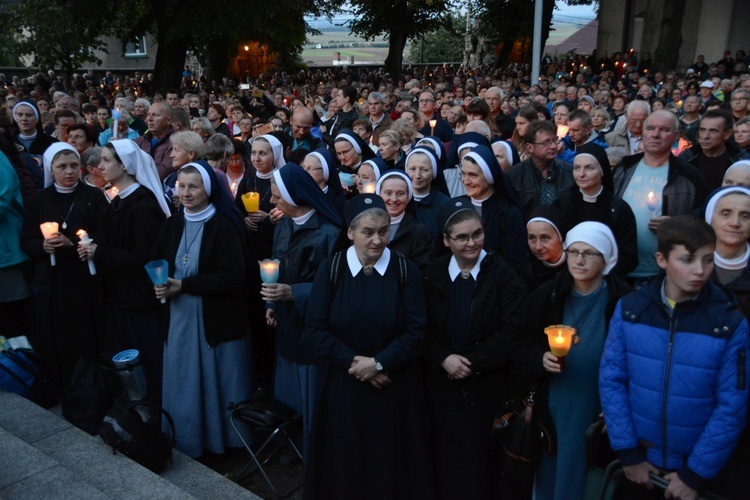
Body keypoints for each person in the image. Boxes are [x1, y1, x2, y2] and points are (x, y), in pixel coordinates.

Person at [600, 215, 749, 499]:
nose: (700, 271)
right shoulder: (631, 310)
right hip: (640, 461)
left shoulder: (729, 323)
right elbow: (612, 380)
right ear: (662, 259)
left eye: (707, 260)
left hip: (697, 469)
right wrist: (629, 454)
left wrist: (696, 473)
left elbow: (732, 405)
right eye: (688, 260)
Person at [302, 194, 433, 500]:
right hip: (342, 387)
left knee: (390, 463)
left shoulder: (405, 271)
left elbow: (416, 330)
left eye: (384, 231)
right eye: (368, 232)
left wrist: (379, 363)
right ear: (350, 232)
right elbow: (315, 330)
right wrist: (357, 363)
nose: (377, 240)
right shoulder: (331, 269)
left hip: (394, 387)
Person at [511, 221, 630, 500]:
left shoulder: (622, 300)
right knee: (552, 473)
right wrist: (539, 357)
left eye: (589, 253)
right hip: (553, 403)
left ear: (606, 258)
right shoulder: (549, 294)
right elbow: (516, 340)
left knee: (587, 477)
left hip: (598, 405)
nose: (579, 260)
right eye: (574, 251)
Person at [422, 202, 525, 499]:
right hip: (441, 389)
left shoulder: (502, 274)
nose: (472, 243)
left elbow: (512, 329)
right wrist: (442, 358)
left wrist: (470, 363)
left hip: (484, 389)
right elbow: (420, 328)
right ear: (446, 241)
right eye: (463, 237)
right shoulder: (432, 274)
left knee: (479, 469)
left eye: (477, 234)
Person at [152, 161, 251, 458]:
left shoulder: (224, 226)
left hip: (215, 318)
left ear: (208, 189)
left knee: (218, 382)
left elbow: (232, 276)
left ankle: (226, 443)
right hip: (179, 317)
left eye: (193, 186)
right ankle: (189, 440)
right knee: (185, 380)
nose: (186, 192)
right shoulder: (172, 224)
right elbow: (157, 259)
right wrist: (157, 282)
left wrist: (184, 286)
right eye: (181, 186)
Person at [77, 139, 171, 404]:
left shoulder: (142, 205)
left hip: (139, 300)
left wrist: (100, 252)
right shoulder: (119, 199)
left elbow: (144, 257)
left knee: (147, 359)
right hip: (121, 297)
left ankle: (155, 409)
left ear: (124, 165)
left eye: (107, 160)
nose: (100, 165)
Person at [263, 163, 342, 462]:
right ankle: (292, 443)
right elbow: (276, 265)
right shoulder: (283, 224)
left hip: (311, 330)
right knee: (288, 393)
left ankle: (314, 453)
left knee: (310, 394)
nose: (272, 201)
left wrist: (292, 293)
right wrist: (272, 304)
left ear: (294, 195)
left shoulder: (329, 234)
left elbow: (333, 285)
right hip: (286, 323)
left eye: (276, 196)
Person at [20, 143, 107, 386]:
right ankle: (62, 383)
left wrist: (75, 242)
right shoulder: (40, 199)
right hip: (53, 280)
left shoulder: (93, 196)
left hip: (84, 278)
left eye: (73, 166)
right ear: (51, 169)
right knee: (58, 335)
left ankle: (93, 383)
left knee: (87, 333)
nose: (69, 172)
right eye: (62, 167)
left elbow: (105, 233)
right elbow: (26, 240)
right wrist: (42, 247)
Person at [613, 110, 707, 281]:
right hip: (620, 270)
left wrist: (675, 226)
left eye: (664, 130)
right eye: (650, 128)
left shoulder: (689, 176)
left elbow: (701, 224)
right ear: (643, 132)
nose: (655, 135)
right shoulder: (624, 168)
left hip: (665, 274)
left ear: (676, 136)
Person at [556, 153, 638, 277]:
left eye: (589, 168)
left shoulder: (619, 208)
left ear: (602, 171)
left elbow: (628, 255)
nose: (581, 174)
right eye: (577, 168)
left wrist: (601, 276)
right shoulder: (561, 204)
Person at [458, 144, 528, 272]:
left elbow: (516, 262)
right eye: (463, 174)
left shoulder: (509, 213)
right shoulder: (457, 206)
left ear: (489, 176)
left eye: (473, 175)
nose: (465, 181)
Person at [506, 120, 575, 218]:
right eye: (546, 143)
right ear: (530, 147)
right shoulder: (514, 176)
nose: (553, 146)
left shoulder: (569, 172)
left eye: (554, 140)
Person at [375, 170, 435, 269]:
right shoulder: (364, 226)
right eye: (388, 193)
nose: (394, 199)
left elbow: (423, 269)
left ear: (408, 196)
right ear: (379, 194)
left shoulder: (421, 232)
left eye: (400, 193)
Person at [680, 109, 749, 192]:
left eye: (713, 131)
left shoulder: (741, 161)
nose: (705, 136)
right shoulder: (686, 158)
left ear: (727, 134)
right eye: (702, 130)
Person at [404, 146, 450, 241]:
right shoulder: (397, 201)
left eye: (424, 170)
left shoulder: (445, 204)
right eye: (412, 169)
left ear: (434, 171)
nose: (417, 176)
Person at [524, 205, 569, 292]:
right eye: (532, 238)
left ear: (560, 237)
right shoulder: (529, 273)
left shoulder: (576, 266)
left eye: (545, 238)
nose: (538, 247)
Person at [135, 102, 175, 181]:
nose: (149, 119)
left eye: (156, 115)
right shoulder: (139, 141)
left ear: (169, 120)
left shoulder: (176, 143)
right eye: (149, 114)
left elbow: (163, 172)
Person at [302, 148, 346, 214]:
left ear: (324, 173)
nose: (305, 172)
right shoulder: (301, 195)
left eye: (310, 168)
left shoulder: (336, 203)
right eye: (303, 167)